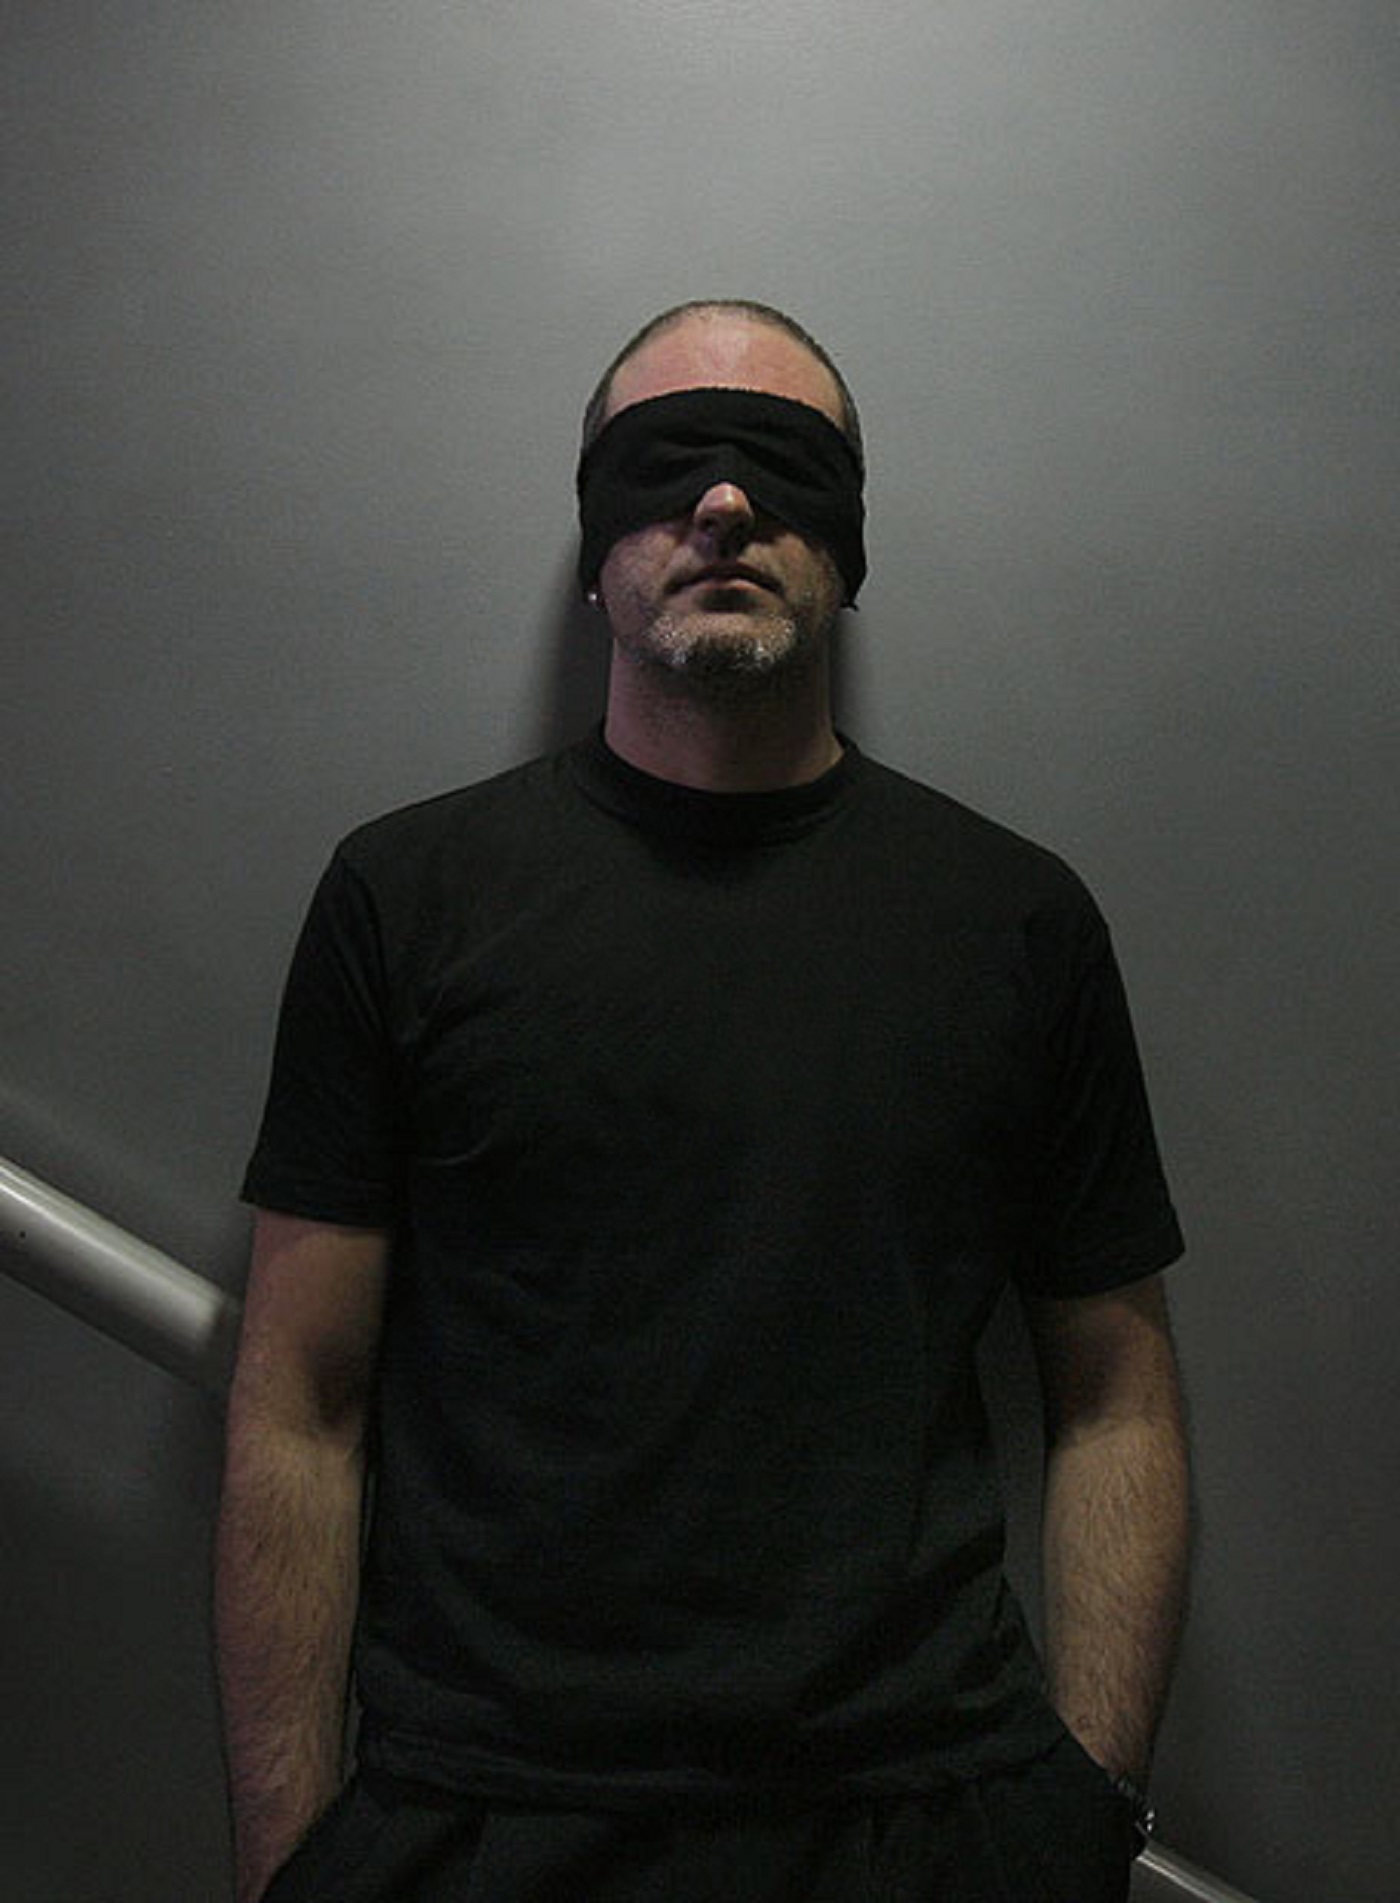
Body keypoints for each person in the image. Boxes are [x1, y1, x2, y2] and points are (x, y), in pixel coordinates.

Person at [215, 299, 1191, 1903]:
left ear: (851, 543)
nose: (725, 502)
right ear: (592, 540)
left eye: (783, 464)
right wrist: (291, 1863)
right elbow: (297, 1402)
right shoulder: (405, 901)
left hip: (919, 1824)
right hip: (479, 1820)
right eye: (666, 462)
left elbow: (1116, 1398)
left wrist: (1080, 1826)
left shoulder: (1016, 924)